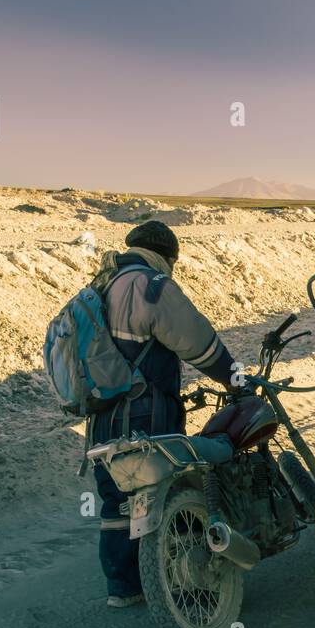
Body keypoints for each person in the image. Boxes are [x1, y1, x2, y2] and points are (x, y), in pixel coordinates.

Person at [86, 220, 238, 607]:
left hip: (102, 418)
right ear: (167, 255)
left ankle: (125, 588)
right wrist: (234, 380)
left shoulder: (101, 284)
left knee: (118, 501)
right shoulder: (150, 286)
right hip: (144, 414)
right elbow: (198, 342)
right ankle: (182, 586)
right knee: (172, 488)